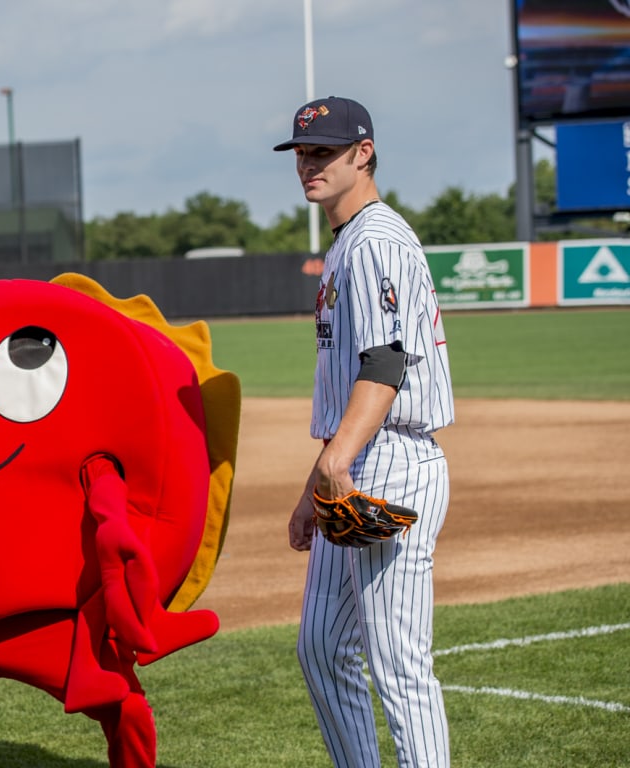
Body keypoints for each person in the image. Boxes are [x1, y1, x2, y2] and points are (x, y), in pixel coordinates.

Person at [274, 97, 456, 767]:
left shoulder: (376, 239)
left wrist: (337, 463)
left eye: (323, 151)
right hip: (354, 461)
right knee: (322, 648)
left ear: (364, 152)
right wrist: (312, 487)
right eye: (302, 152)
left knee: (400, 664)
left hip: (392, 463)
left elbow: (384, 364)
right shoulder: (349, 240)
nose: (308, 164)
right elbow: (348, 382)